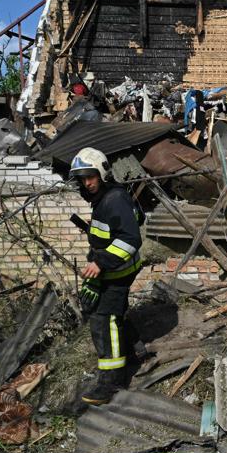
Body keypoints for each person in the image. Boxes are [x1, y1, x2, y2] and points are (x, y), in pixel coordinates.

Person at [70, 147, 143, 404]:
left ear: (102, 173)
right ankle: (135, 350)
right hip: (115, 268)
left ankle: (110, 383)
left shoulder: (114, 199)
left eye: (90, 177)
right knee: (112, 313)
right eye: (82, 179)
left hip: (118, 271)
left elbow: (131, 238)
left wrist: (100, 263)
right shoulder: (107, 197)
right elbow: (137, 218)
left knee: (104, 319)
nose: (87, 183)